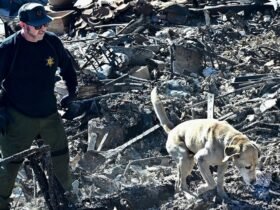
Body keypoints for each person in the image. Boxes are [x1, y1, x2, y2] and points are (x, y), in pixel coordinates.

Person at [0, 3, 77, 209]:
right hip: (18, 116)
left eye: (44, 23)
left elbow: (68, 68)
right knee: (9, 165)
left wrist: (72, 93)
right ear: (23, 25)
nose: (42, 28)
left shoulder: (52, 43)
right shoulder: (9, 48)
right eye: (37, 25)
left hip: (49, 113)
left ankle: (67, 198)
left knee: (60, 156)